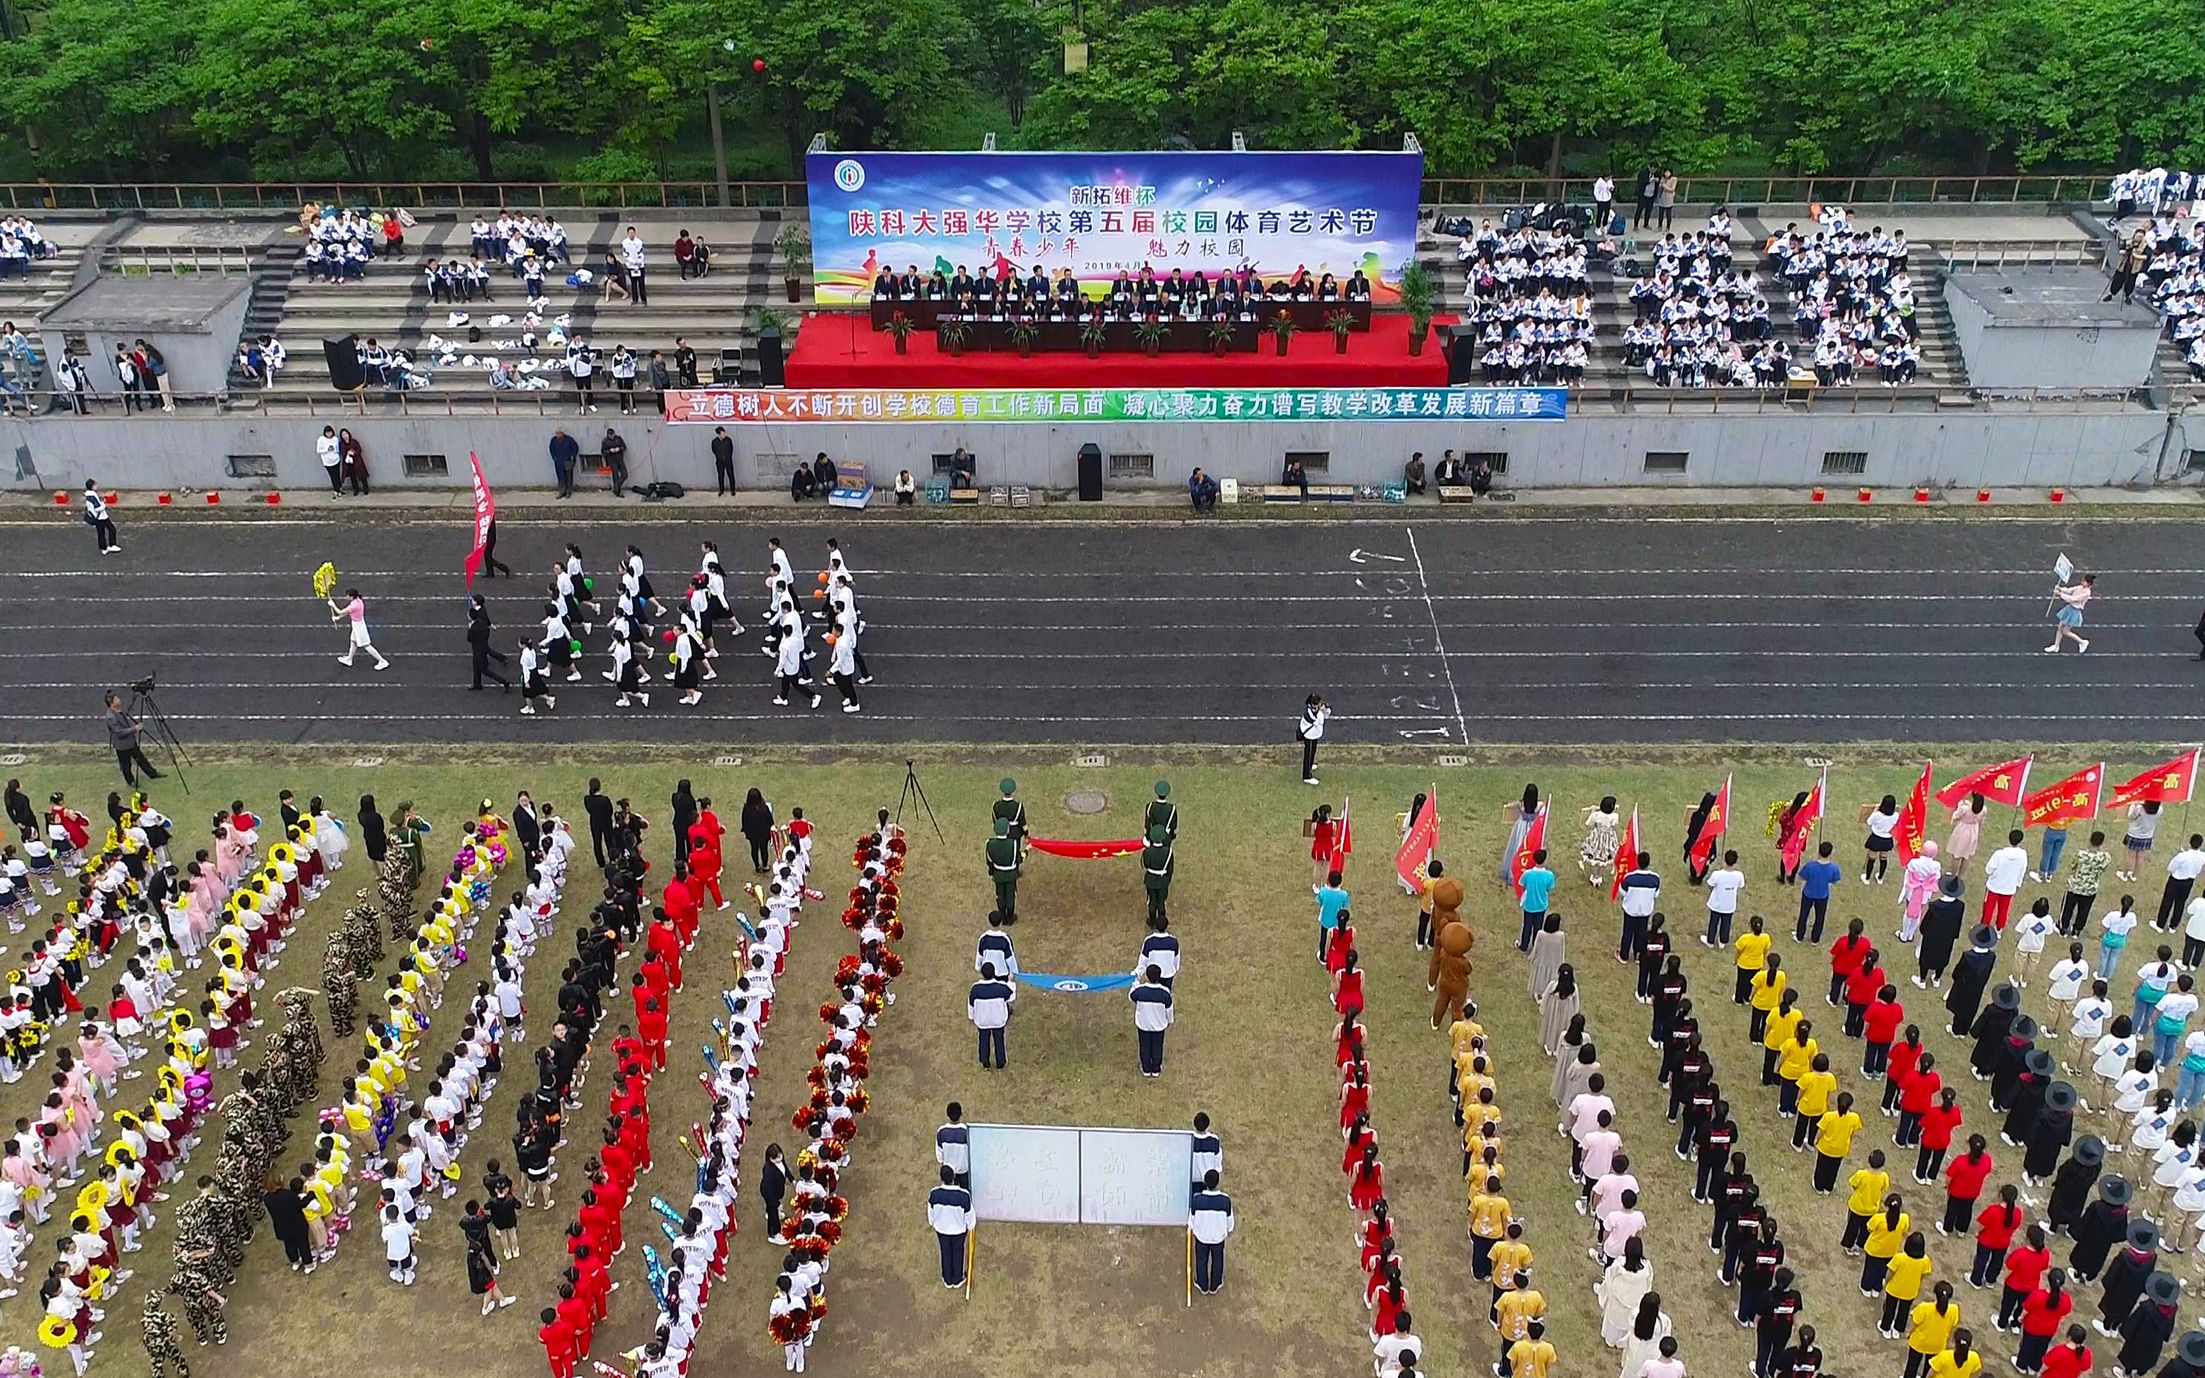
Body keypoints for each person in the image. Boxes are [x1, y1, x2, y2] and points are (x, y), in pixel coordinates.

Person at [102, 691, 164, 786]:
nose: (119, 700)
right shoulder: (111, 717)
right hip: (122, 745)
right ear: (111, 702)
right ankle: (130, 781)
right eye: (116, 699)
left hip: (130, 742)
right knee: (126, 765)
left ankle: (152, 773)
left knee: (141, 759)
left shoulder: (119, 711)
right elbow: (119, 732)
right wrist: (134, 729)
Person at [927, 1166, 973, 1287]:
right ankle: (957, 1279)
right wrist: (970, 1226)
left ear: (941, 1178)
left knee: (945, 1251)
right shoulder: (963, 1195)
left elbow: (931, 1214)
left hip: (941, 1229)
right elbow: (969, 1216)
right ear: (953, 1177)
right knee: (958, 1252)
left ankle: (947, 1279)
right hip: (958, 1230)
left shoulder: (934, 1194)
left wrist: (933, 1223)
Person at [1189, 1169, 1233, 1294]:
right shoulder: (1225, 1201)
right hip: (1218, 1238)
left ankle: (1202, 1285)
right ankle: (1215, 1284)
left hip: (1202, 1237)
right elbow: (1230, 1223)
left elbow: (1191, 1221)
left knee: (1201, 1260)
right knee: (1218, 1259)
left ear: (1205, 1182)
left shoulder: (1197, 1200)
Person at [968, 961, 1013, 1069]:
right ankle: (1000, 1062)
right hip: (998, 1020)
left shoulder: (975, 988)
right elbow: (1011, 996)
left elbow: (970, 1004)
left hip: (982, 1020)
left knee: (983, 1039)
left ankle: (985, 1061)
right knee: (999, 1040)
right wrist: (1010, 981)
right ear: (994, 973)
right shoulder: (1001, 987)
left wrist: (971, 1017)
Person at [1132, 965, 1174, 1076]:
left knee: (1144, 1046)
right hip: (1159, 1025)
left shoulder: (1140, 991)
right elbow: (1169, 1010)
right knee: (1157, 1046)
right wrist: (1169, 1021)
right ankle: (1156, 1069)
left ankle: (1146, 1069)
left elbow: (1131, 996)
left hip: (1143, 1024)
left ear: (1147, 976)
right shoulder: (1165, 992)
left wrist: (1135, 982)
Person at [467, 595, 511, 692]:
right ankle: (477, 684)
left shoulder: (474, 627)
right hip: (481, 643)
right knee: (476, 667)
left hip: (478, 649)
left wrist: (470, 627)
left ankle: (504, 681)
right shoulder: (481, 617)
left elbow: (469, 639)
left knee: (484, 670)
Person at [2047, 575, 2095, 654]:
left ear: (2089, 584)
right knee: (2060, 627)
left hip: (2074, 612)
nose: (2082, 582)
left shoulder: (2086, 593)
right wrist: (2060, 589)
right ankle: (2056, 646)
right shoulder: (2079, 587)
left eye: (2084, 581)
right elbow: (2069, 590)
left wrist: (2060, 594)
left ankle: (2082, 642)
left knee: (2065, 631)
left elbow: (2073, 599)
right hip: (2069, 609)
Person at [1298, 694, 1329, 785]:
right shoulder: (1310, 713)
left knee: (1313, 751)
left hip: (1314, 735)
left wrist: (1326, 709)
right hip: (1309, 736)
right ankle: (1306, 776)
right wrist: (1322, 711)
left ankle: (1310, 766)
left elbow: (1327, 714)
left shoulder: (1316, 709)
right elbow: (1318, 722)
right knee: (1308, 754)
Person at [82, 481, 118, 554]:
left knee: (101, 533)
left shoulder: (88, 495)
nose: (97, 486)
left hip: (96, 518)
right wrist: (104, 504)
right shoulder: (92, 496)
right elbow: (98, 508)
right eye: (95, 485)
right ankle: (112, 545)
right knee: (112, 529)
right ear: (92, 486)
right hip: (101, 517)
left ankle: (104, 548)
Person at [549, 428, 579, 499]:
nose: (557, 435)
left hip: (567, 460)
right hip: (559, 461)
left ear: (562, 433)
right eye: (556, 433)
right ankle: (562, 491)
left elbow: (575, 448)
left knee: (568, 476)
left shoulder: (569, 440)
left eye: (559, 433)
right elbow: (551, 448)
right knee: (560, 477)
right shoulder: (553, 440)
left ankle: (568, 491)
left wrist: (572, 456)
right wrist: (554, 457)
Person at [601, 428, 629, 498]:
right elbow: (603, 452)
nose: (612, 436)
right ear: (608, 435)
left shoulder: (618, 438)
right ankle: (617, 491)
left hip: (619, 459)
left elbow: (624, 447)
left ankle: (616, 487)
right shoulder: (605, 441)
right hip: (612, 460)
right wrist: (610, 451)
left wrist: (619, 449)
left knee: (624, 475)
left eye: (613, 434)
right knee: (615, 476)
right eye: (611, 435)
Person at [710, 427, 735, 496]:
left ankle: (732, 490)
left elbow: (731, 449)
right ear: (719, 434)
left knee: (731, 475)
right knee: (721, 475)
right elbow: (714, 450)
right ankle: (721, 490)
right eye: (722, 433)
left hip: (728, 461)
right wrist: (719, 456)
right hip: (719, 462)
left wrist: (728, 456)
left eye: (724, 433)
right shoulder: (714, 442)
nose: (724, 435)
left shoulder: (728, 440)